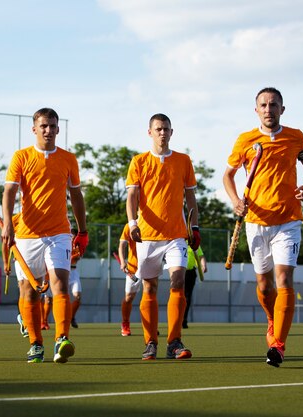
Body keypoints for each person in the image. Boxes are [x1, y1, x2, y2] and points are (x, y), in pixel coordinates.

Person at [222, 87, 303, 368]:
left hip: (288, 221)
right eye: (263, 105)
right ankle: (271, 319)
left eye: (273, 105)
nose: (268, 109)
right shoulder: (245, 140)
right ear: (256, 110)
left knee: (284, 280)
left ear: (282, 109)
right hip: (255, 222)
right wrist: (235, 200)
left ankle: (278, 345)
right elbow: (228, 175)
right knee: (264, 286)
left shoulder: (296, 137)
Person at [1, 107, 88, 364]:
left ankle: (62, 339)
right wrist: (8, 223)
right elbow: (9, 192)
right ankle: (36, 344)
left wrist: (82, 230)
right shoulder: (21, 157)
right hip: (28, 234)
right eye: (43, 126)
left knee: (60, 282)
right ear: (34, 129)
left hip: (59, 233)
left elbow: (76, 196)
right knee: (28, 291)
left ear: (58, 129)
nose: (48, 131)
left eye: (52, 126)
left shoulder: (68, 159)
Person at [126, 113, 200, 360]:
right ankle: (150, 342)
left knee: (178, 281)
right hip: (147, 237)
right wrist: (132, 222)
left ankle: (174, 341)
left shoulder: (183, 161)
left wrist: (195, 227)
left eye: (166, 129)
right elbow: (132, 197)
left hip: (176, 236)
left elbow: (191, 198)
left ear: (171, 131)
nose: (162, 133)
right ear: (150, 132)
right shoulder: (138, 161)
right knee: (150, 287)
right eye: (158, 129)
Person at [118, 223, 141, 336]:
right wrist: (123, 261)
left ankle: (151, 326)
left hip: (149, 267)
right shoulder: (129, 225)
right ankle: (125, 323)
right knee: (129, 298)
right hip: (133, 268)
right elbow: (122, 244)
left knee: (150, 294)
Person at [183, 244, 207, 329]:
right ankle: (176, 320)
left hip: (190, 273)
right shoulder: (178, 240)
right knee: (179, 296)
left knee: (187, 297)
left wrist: (203, 265)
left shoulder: (194, 243)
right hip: (179, 273)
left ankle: (184, 320)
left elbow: (201, 256)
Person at [69, 229, 83, 328]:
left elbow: (77, 258)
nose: (73, 238)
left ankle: (72, 317)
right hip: (64, 272)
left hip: (73, 272)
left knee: (77, 296)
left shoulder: (77, 246)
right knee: (60, 297)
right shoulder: (62, 244)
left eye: (74, 236)